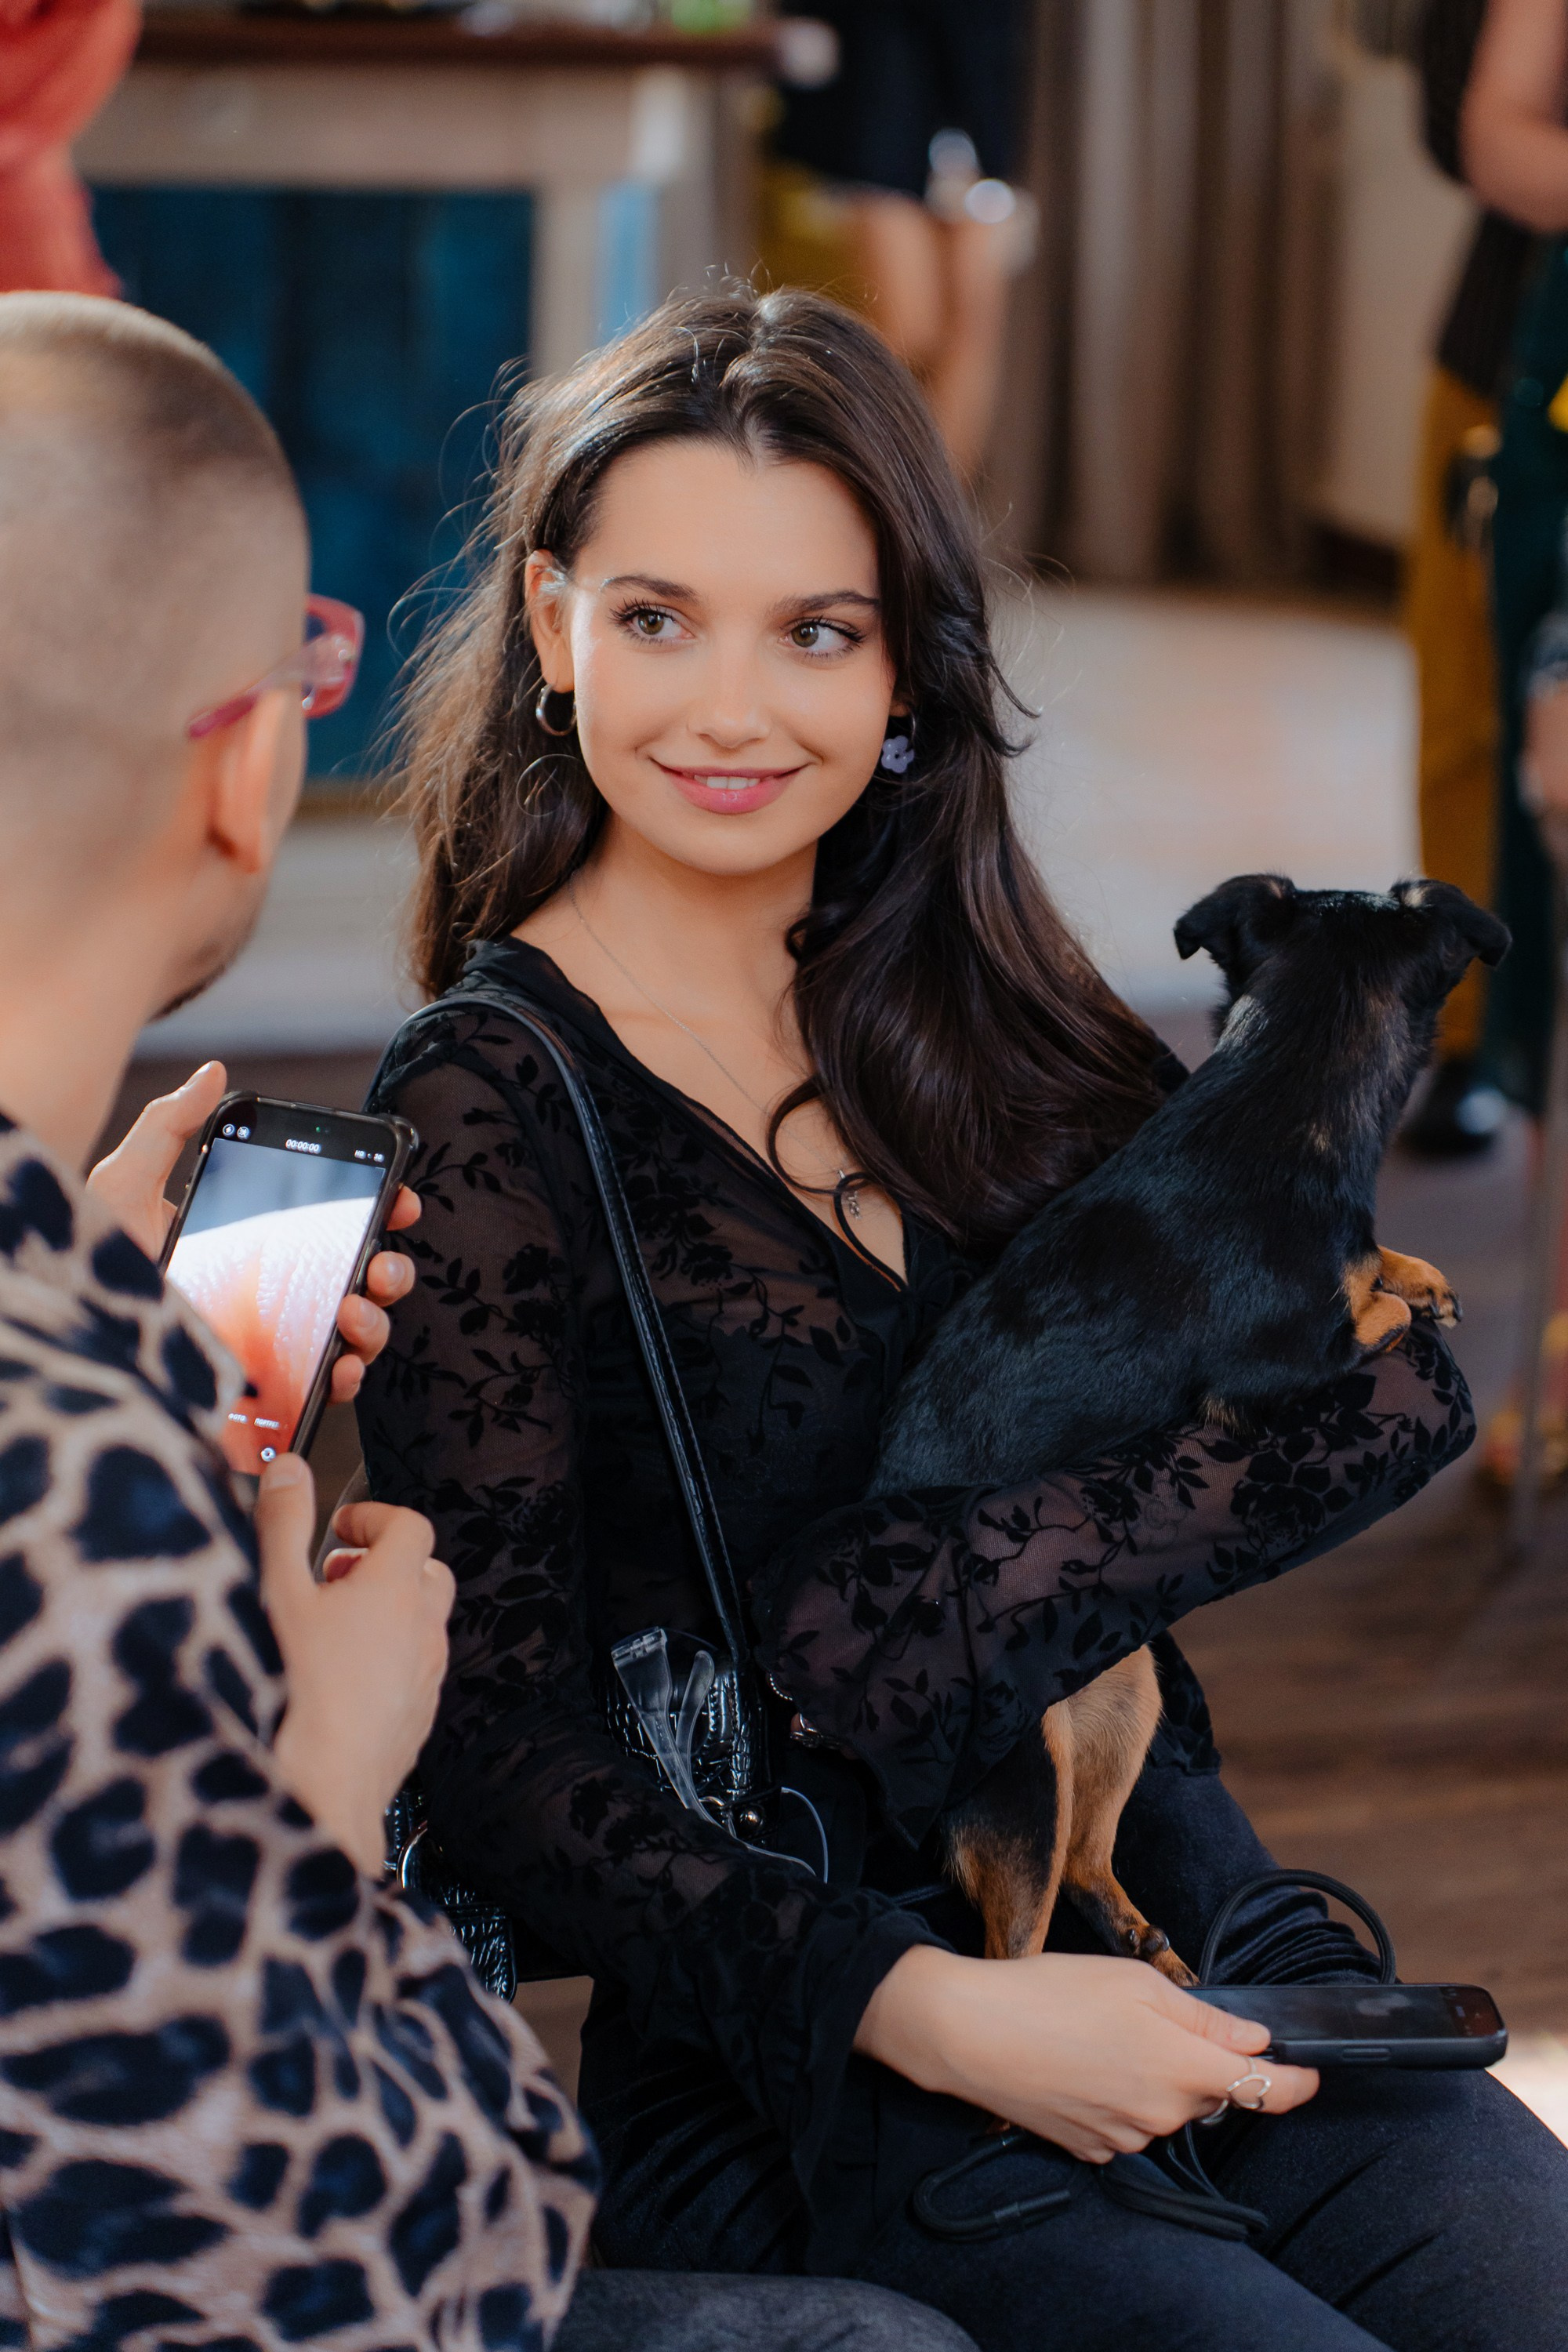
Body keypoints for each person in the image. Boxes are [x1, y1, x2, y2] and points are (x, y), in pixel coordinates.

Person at [358, 286, 1568, 2352]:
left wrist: (1217, 1882)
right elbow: (497, 1752)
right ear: (552, 625)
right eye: (659, 618)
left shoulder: (981, 1020)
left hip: (1178, 1932)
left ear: (906, 663)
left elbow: (1304, 1420)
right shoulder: (482, 1106)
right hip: (807, 2062)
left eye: (814, 632)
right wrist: (933, 2006)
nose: (732, 708)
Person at [0, 286, 978, 2352]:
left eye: (816, 624)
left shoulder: (81, 1356)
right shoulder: (90, 1473)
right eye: (654, 616)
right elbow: (344, 2252)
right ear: (255, 763)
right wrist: (336, 1784)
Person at [766, 0, 1027, 478]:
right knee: (907, 330)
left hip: (980, 108)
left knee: (975, 323)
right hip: (878, 109)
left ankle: (935, 526)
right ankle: (884, 506)